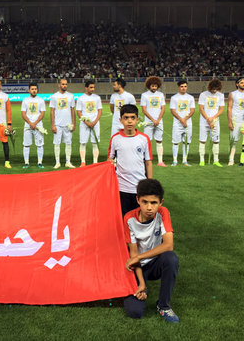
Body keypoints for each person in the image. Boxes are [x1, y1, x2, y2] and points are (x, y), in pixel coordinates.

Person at [123, 179, 180, 324]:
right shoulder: (129, 219)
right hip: (137, 267)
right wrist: (141, 284)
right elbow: (133, 255)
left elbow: (168, 245)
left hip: (154, 263)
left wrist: (140, 257)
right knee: (134, 312)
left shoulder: (163, 213)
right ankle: (142, 286)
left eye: (154, 203)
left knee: (171, 258)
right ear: (137, 200)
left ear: (161, 202)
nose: (149, 207)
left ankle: (164, 306)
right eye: (145, 202)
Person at [107, 104, 153, 216]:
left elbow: (148, 162)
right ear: (120, 120)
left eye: (133, 118)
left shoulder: (144, 139)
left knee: (140, 217)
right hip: (122, 187)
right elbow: (110, 159)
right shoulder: (115, 139)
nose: (129, 121)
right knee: (124, 217)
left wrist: (149, 183)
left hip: (139, 186)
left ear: (137, 120)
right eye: (126, 118)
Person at [198, 79, 225, 167]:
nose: (214, 90)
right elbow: (201, 108)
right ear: (209, 88)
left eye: (216, 89)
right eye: (213, 89)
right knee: (202, 140)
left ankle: (216, 160)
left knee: (216, 141)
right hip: (204, 121)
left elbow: (221, 109)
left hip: (215, 121)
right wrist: (207, 119)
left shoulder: (220, 95)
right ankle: (202, 160)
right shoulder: (203, 95)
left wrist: (213, 118)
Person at [50, 78, 76, 169]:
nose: (64, 86)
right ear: (59, 85)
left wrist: (74, 123)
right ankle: (57, 162)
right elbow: (52, 111)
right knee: (57, 143)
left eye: (66, 84)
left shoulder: (71, 96)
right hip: (57, 124)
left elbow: (73, 110)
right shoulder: (54, 96)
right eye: (63, 84)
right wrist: (53, 125)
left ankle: (68, 162)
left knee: (68, 143)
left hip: (68, 124)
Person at [140, 76, 166, 167]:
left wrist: (158, 120)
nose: (154, 87)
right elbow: (144, 109)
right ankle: (147, 160)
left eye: (155, 86)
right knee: (147, 141)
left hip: (159, 122)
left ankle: (160, 161)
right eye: (152, 86)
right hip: (148, 122)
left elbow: (163, 108)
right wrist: (153, 120)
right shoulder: (144, 95)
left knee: (159, 140)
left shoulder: (161, 95)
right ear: (148, 86)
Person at [76, 80, 102, 167]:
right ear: (86, 87)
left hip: (95, 124)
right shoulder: (81, 98)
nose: (92, 89)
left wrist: (95, 122)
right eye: (91, 87)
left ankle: (95, 162)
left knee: (95, 143)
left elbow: (99, 110)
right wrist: (86, 122)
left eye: (93, 87)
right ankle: (83, 162)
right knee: (83, 142)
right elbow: (79, 112)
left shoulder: (97, 98)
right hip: (84, 124)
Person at [169, 80, 195, 166]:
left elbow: (192, 110)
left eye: (185, 86)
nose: (183, 88)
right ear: (178, 87)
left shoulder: (190, 98)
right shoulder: (174, 98)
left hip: (188, 123)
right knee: (176, 142)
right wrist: (181, 119)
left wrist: (186, 119)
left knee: (186, 142)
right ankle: (175, 160)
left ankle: (185, 160)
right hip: (177, 123)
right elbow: (172, 110)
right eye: (182, 86)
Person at [21, 83, 46, 169]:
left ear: (37, 90)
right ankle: (26, 163)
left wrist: (35, 123)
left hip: (38, 126)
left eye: (35, 89)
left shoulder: (41, 100)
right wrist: (30, 123)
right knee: (26, 144)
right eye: (32, 89)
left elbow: (42, 113)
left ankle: (39, 162)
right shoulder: (25, 100)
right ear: (29, 90)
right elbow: (23, 114)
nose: (34, 90)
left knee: (39, 145)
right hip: (28, 126)